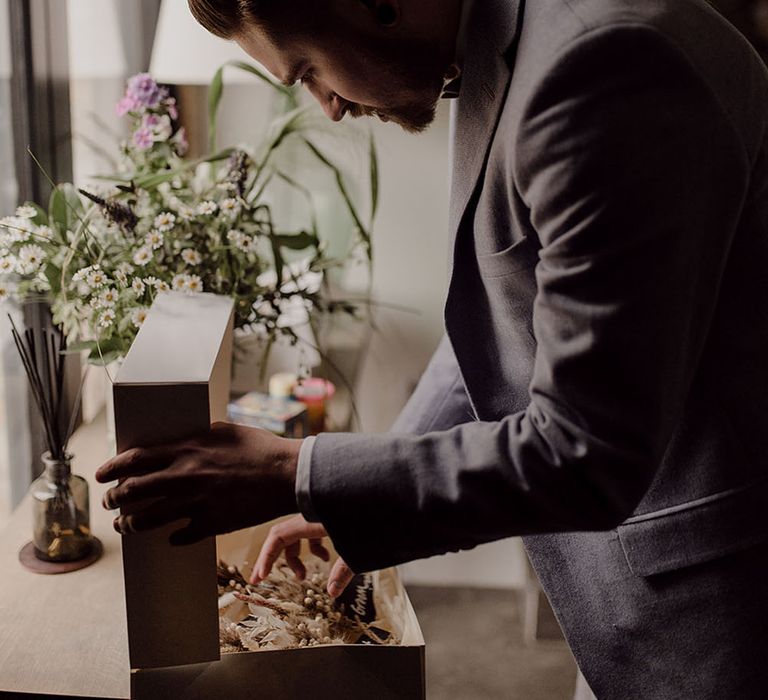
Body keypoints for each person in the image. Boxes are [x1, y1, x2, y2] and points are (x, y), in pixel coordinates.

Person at [96, 0, 768, 696]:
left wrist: (302, 472)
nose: (327, 106)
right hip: (630, 572)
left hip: (717, 601)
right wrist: (350, 500)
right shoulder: (501, 42)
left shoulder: (602, 65)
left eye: (308, 70)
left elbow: (585, 453)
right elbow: (500, 325)